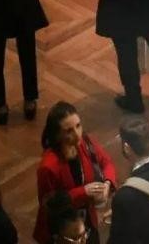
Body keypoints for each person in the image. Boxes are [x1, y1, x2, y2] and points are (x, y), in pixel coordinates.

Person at [35, 103, 117, 244]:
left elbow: (106, 162)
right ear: (57, 135)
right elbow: (49, 203)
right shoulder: (48, 167)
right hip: (64, 230)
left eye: (78, 126)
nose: (77, 134)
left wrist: (107, 183)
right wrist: (83, 192)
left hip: (87, 221)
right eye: (69, 131)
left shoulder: (85, 142)